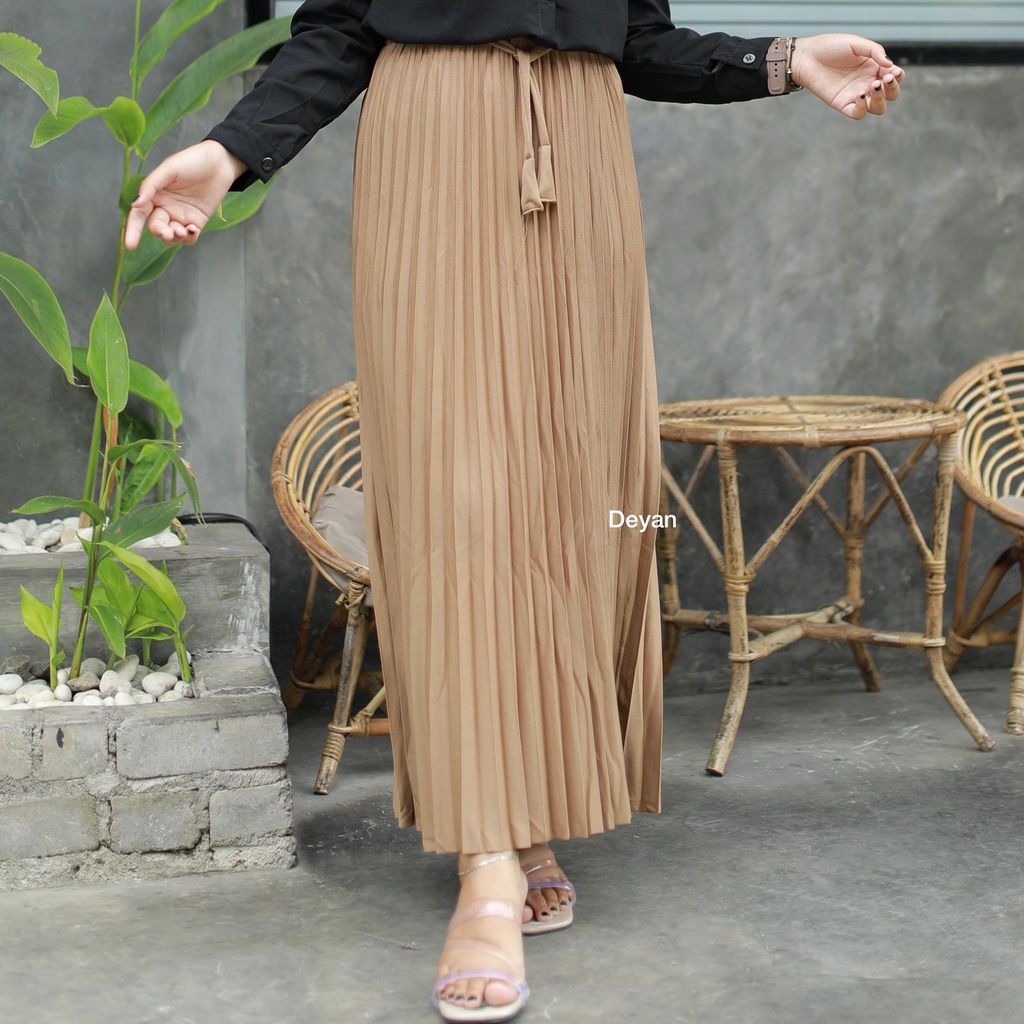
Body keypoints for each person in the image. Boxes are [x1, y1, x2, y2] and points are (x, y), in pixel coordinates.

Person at [125, 3, 904, 1020]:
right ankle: (487, 855)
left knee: (575, 496)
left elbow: (635, 39)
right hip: (433, 144)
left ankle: (526, 802)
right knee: (458, 496)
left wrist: (785, 60)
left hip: (582, 148)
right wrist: (232, 151)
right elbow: (340, 30)